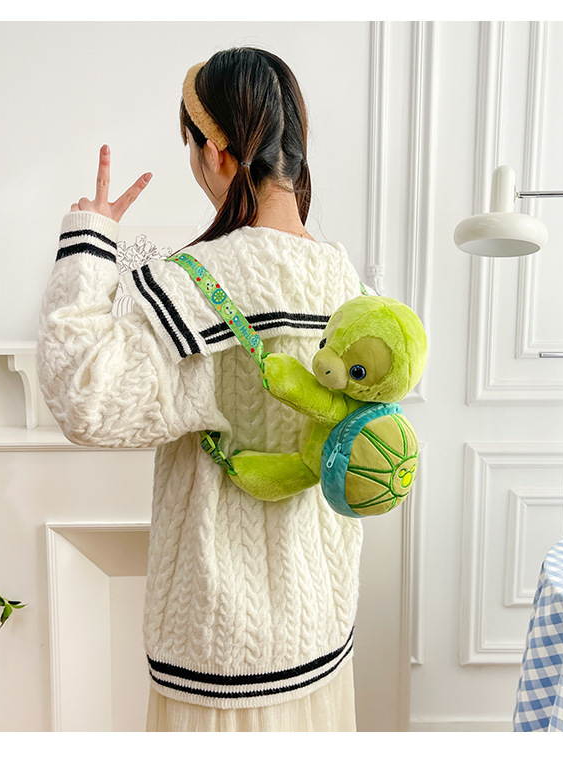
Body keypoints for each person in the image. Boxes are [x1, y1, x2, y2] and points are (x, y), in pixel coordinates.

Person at [37, 47, 366, 732]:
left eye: (189, 143)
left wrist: (90, 240)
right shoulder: (345, 281)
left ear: (215, 151)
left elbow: (84, 398)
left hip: (222, 655)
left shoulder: (194, 282)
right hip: (319, 628)